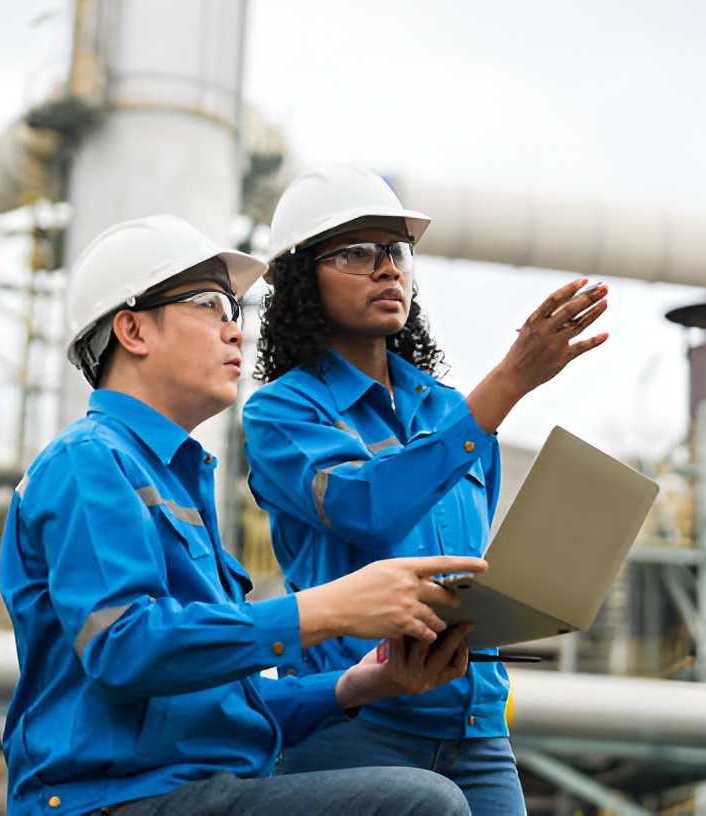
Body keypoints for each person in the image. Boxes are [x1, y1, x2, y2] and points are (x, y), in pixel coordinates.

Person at [0, 213, 493, 816]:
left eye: (236, 312)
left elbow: (229, 706)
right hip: (111, 801)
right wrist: (328, 608)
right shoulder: (88, 461)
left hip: (192, 791)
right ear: (132, 330)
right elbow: (124, 648)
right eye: (211, 306)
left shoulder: (175, 477)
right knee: (420, 806)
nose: (236, 332)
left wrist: (358, 685)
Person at [242, 165, 610, 814]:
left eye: (396, 252)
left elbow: (469, 558)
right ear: (301, 278)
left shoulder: (448, 408)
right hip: (357, 727)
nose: (387, 269)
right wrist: (508, 384)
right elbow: (368, 509)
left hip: (477, 732)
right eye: (357, 252)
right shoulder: (281, 415)